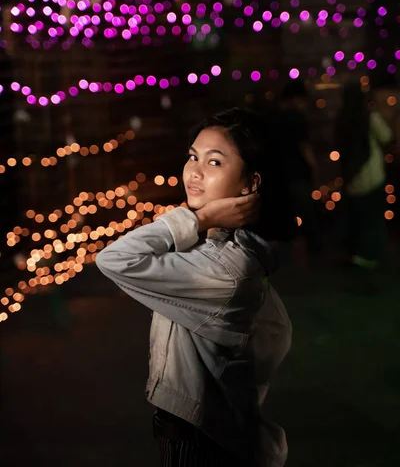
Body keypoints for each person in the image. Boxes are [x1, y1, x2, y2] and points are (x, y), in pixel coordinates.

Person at [96, 108, 292, 466]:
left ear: (250, 183)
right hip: (200, 433)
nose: (195, 172)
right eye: (192, 157)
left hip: (199, 441)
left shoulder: (225, 269)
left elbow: (114, 259)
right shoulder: (224, 245)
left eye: (215, 162)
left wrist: (200, 217)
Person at [335, 83, 392, 268]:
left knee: (357, 218)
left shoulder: (342, 119)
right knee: (373, 218)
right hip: (373, 175)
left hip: (352, 178)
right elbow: (387, 137)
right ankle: (370, 255)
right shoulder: (369, 117)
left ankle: (355, 253)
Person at [270, 79, 321, 255]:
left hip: (279, 174)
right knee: (307, 213)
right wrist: (314, 167)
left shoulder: (273, 117)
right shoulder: (297, 119)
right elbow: (304, 147)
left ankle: (284, 252)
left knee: (285, 215)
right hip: (297, 173)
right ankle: (315, 250)